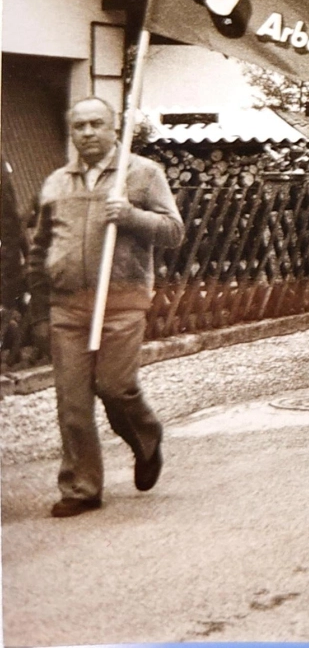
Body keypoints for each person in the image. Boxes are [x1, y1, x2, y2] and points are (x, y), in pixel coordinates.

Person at [27, 97, 183, 517]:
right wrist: (39, 307)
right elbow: (40, 247)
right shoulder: (57, 182)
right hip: (67, 305)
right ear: (71, 132)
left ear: (114, 129)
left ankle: (146, 435)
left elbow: (173, 232)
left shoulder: (143, 174)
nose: (88, 133)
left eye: (97, 124)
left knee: (115, 386)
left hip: (122, 301)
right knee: (72, 401)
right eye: (80, 126)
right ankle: (81, 487)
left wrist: (131, 215)